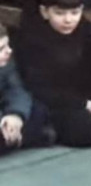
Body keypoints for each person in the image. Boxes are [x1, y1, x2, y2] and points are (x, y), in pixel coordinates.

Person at [13, 0, 91, 148]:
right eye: (59, 13)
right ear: (45, 12)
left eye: (75, 13)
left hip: (77, 93)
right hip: (49, 100)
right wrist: (87, 105)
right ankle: (45, 130)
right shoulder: (31, 39)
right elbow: (38, 86)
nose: (68, 20)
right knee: (88, 131)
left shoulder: (84, 27)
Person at [1, 24, 53, 156]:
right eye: (1, 49)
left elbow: (16, 89)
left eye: (8, 45)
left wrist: (15, 115)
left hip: (4, 108)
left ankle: (14, 137)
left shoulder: (6, 63)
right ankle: (28, 137)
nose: (9, 51)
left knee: (39, 110)